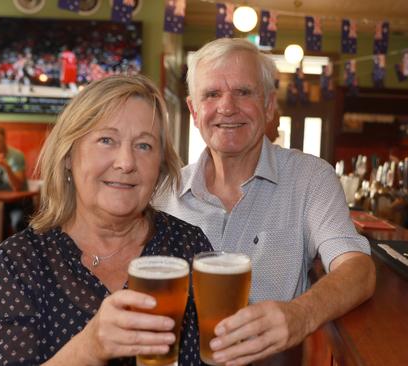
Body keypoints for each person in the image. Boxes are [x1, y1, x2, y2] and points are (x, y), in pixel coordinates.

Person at [153, 38, 376, 365]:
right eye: (212, 94)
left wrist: (300, 315)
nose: (227, 107)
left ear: (270, 105)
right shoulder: (163, 191)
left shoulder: (310, 178)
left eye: (243, 92)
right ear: (194, 110)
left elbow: (359, 270)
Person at [0, 75, 213, 366]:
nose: (126, 162)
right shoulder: (20, 261)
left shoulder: (188, 244)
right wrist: (91, 347)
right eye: (106, 140)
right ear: (67, 155)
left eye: (144, 146)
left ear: (160, 165)